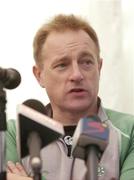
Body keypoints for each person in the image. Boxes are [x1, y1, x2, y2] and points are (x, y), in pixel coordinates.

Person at [6, 14, 134, 180]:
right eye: (62, 65)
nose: (77, 74)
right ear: (39, 75)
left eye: (86, 62)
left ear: (99, 68)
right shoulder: (14, 133)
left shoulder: (129, 131)